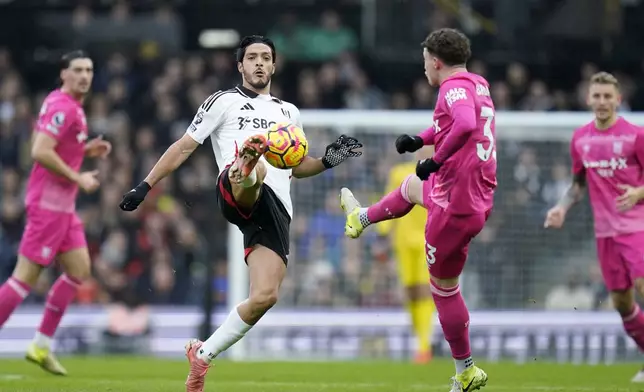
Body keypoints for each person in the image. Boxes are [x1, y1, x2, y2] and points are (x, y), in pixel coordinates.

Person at [118, 35, 362, 392]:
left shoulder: (289, 112)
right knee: (255, 171)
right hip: (235, 189)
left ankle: (202, 355)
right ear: (240, 66)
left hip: (275, 210)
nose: (259, 63)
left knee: (266, 296)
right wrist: (145, 185)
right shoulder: (223, 102)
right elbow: (184, 146)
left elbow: (294, 166)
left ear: (274, 66)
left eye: (265, 57)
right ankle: (246, 162)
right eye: (252, 58)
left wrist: (327, 160)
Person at [340, 28, 495, 391]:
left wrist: (435, 159)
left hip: (453, 203)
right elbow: (457, 122)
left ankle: (466, 371)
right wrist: (421, 139)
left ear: (436, 61)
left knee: (443, 289)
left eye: (425, 60)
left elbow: (466, 124)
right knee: (410, 187)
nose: (424, 67)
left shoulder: (450, 87)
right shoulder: (478, 83)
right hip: (476, 196)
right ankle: (360, 218)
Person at [0, 50, 111, 375]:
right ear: (63, 73)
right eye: (77, 70)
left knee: (79, 269)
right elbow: (39, 150)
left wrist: (84, 150)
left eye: (89, 70)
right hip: (48, 207)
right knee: (23, 280)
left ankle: (41, 345)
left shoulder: (63, 103)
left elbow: (46, 140)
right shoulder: (64, 107)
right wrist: (78, 176)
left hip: (63, 208)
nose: (84, 76)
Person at [545, 71, 644, 383]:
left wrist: (638, 192)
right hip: (605, 235)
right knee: (622, 303)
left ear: (618, 99)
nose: (602, 101)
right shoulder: (581, 139)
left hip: (637, 227)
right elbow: (577, 184)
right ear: (588, 99)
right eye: (597, 96)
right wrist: (561, 208)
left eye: (607, 96)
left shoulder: (635, 136)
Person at [374, 147, 436, 364]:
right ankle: (419, 337)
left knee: (424, 290)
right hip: (403, 241)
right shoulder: (399, 173)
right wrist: (382, 236)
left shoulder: (440, 172)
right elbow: (390, 202)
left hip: (430, 240)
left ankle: (424, 346)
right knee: (410, 292)